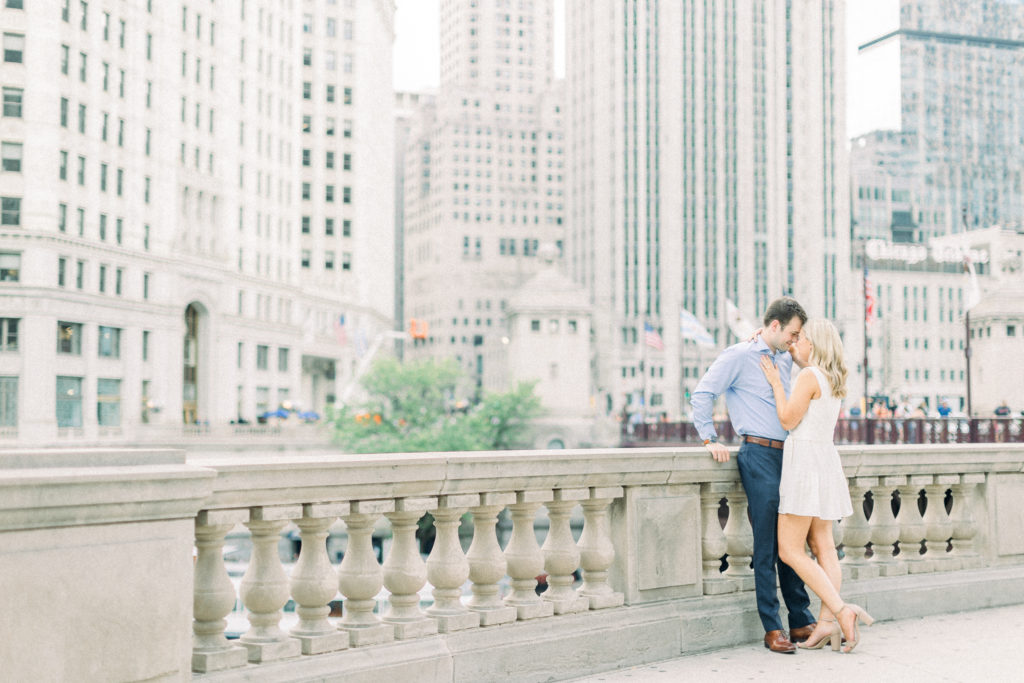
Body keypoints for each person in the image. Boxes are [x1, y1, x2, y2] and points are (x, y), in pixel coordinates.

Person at [691, 297, 816, 654]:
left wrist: (799, 359)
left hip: (789, 454)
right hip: (758, 454)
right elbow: (702, 394)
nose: (795, 340)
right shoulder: (738, 355)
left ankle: (801, 618)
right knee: (766, 543)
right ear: (774, 326)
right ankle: (773, 628)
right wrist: (708, 438)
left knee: (792, 540)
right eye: (792, 334)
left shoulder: (786, 359)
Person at [759, 318, 874, 652]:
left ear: (816, 343)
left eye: (804, 338)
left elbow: (787, 419)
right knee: (823, 545)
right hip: (824, 460)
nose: (799, 342)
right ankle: (825, 624)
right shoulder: (831, 378)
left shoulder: (808, 377)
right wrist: (797, 359)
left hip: (804, 464)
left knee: (790, 550)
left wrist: (776, 384)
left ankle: (841, 611)